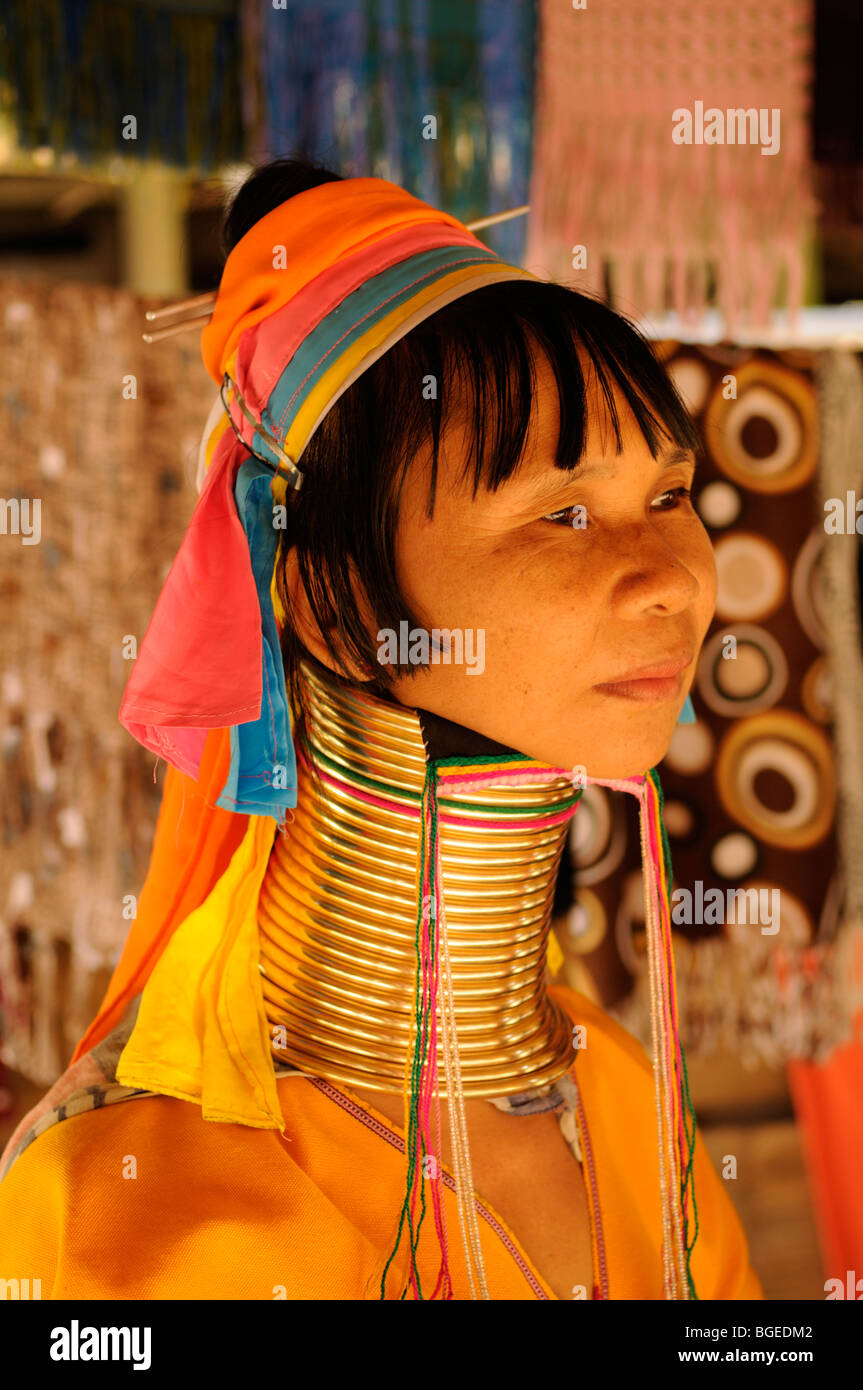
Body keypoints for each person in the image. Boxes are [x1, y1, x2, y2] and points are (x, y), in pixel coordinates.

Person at [0, 157, 763, 1301]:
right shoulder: (125, 1200)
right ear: (334, 606)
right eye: (559, 514)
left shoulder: (624, 1094)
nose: (668, 580)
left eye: (666, 496)